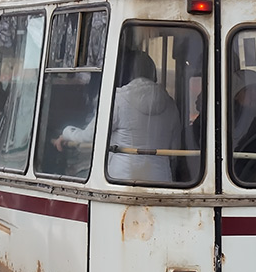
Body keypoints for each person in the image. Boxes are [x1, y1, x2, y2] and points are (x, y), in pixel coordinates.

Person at [55, 51, 180, 183]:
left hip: (121, 178)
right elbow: (175, 147)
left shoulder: (118, 99)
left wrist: (66, 133)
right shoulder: (171, 104)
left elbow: (90, 136)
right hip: (161, 179)